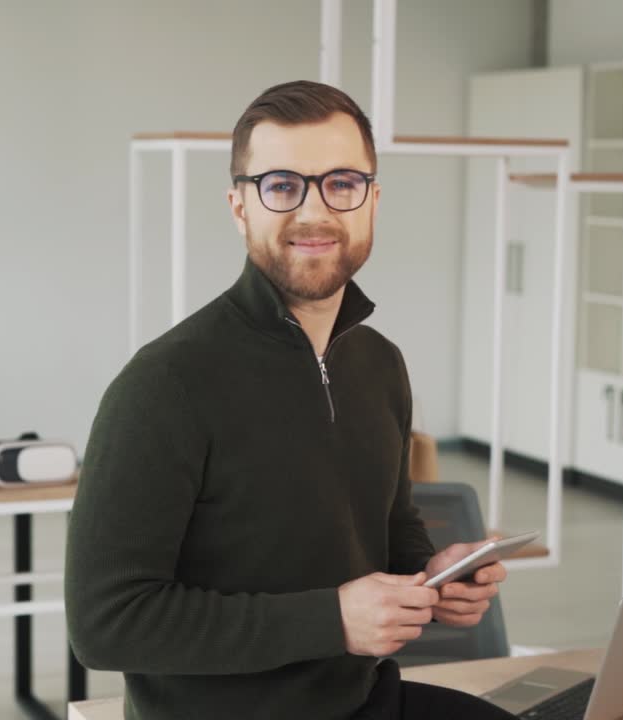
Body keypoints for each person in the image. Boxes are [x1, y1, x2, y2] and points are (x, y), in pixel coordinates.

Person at [66, 80, 517, 720]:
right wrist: (331, 619)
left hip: (361, 702)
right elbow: (104, 624)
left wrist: (434, 574)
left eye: (341, 183)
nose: (314, 211)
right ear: (239, 206)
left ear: (372, 201)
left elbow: (386, 530)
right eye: (282, 186)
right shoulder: (164, 385)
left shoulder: (380, 363)